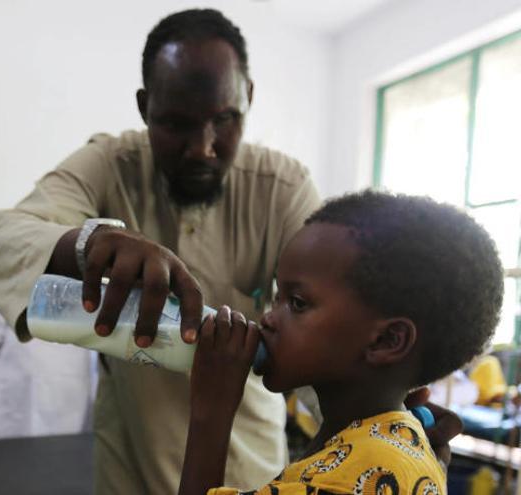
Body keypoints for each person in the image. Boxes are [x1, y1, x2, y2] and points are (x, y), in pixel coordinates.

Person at [0, 9, 459, 494]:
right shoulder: (110, 164)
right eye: (176, 124)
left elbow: (339, 331)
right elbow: (1, 235)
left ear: (248, 98)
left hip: (247, 469)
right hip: (130, 463)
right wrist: (89, 243)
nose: (202, 148)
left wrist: (385, 407)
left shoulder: (282, 189)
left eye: (225, 120)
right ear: (146, 108)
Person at [179, 191, 504, 495]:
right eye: (277, 298)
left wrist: (211, 415)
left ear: (387, 340)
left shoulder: (353, 476)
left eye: (297, 303)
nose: (268, 319)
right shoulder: (373, 446)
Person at [0, 265, 96, 439]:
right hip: (64, 369)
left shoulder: (15, 267)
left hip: (27, 364)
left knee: (18, 438)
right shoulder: (77, 269)